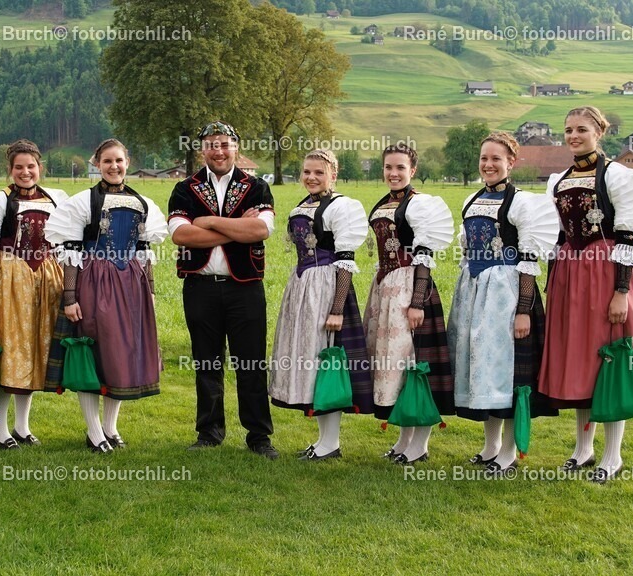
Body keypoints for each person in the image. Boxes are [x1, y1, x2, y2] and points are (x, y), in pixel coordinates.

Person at [539, 106, 633, 483]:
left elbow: (627, 237)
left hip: (605, 274)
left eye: (582, 130)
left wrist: (621, 291)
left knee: (609, 361)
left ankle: (613, 454)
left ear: (599, 132)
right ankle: (583, 448)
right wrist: (553, 277)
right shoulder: (558, 179)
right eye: (568, 130)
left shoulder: (617, 176)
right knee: (579, 361)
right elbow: (557, 234)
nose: (574, 136)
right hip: (569, 276)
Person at [44, 138, 167, 453]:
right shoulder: (84, 202)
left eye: (119, 161)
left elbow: (143, 251)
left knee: (121, 355)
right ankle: (94, 431)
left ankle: (111, 427)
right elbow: (71, 252)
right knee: (94, 353)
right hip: (95, 281)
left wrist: (149, 290)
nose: (114, 166)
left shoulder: (142, 203)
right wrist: (70, 297)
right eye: (108, 161)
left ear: (128, 162)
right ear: (97, 164)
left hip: (131, 285)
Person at [447, 132, 559, 473]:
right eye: (484, 158)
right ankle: (490, 446)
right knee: (482, 366)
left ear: (512, 161)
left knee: (506, 371)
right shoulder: (471, 199)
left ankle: (508, 451)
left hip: (506, 293)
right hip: (473, 290)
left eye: (496, 159)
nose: (488, 165)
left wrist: (523, 311)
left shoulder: (522, 203)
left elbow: (528, 262)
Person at [168, 121, 278, 459]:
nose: (219, 150)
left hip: (244, 287)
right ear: (202, 148)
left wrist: (209, 222)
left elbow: (260, 229)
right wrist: (237, 228)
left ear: (236, 147)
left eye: (226, 144)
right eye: (212, 144)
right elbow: (181, 235)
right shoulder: (185, 188)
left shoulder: (256, 187)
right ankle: (209, 432)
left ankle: (259, 436)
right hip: (200, 285)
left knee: (251, 363)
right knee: (206, 361)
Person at [0, 139, 68, 449]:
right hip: (9, 278)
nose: (25, 172)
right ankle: (0, 430)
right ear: (10, 170)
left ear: (40, 168)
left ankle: (22, 426)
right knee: (9, 351)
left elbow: (63, 245)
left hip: (46, 280)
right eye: (19, 167)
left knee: (36, 351)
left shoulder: (56, 199)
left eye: (30, 166)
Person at [268, 149, 372, 461]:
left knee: (328, 362)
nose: (311, 177)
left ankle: (331, 442)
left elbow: (345, 262)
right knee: (312, 362)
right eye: (307, 172)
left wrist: (337, 308)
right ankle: (323, 441)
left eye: (319, 172)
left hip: (326, 288)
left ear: (333, 175)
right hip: (301, 287)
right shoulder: (304, 205)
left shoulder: (342, 207)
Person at [363, 144, 454, 465]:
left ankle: (420, 444)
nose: (393, 173)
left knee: (414, 365)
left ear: (412, 170)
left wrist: (418, 302)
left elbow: (424, 257)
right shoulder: (384, 203)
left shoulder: (420, 205)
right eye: (388, 167)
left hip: (410, 288)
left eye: (400, 168)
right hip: (384, 290)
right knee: (394, 365)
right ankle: (404, 439)